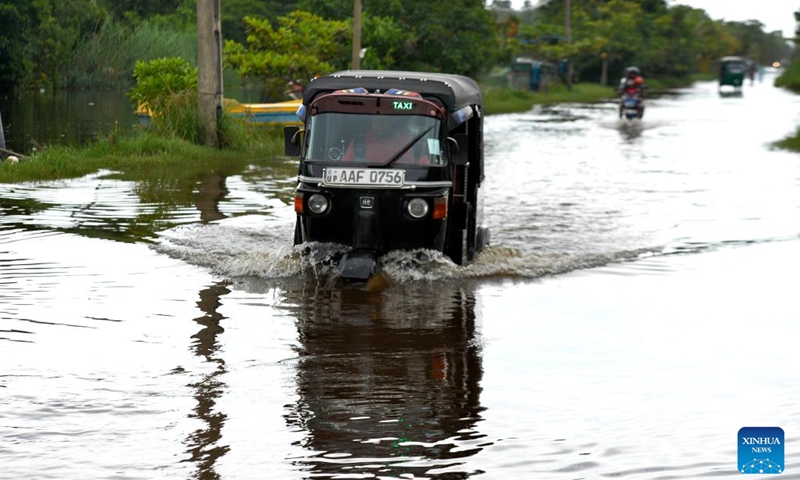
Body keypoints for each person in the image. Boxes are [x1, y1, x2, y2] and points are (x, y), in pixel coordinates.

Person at [342, 115, 430, 164]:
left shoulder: (410, 142)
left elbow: (425, 170)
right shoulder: (360, 140)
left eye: (385, 120)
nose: (380, 124)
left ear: (394, 120)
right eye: (376, 120)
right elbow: (344, 168)